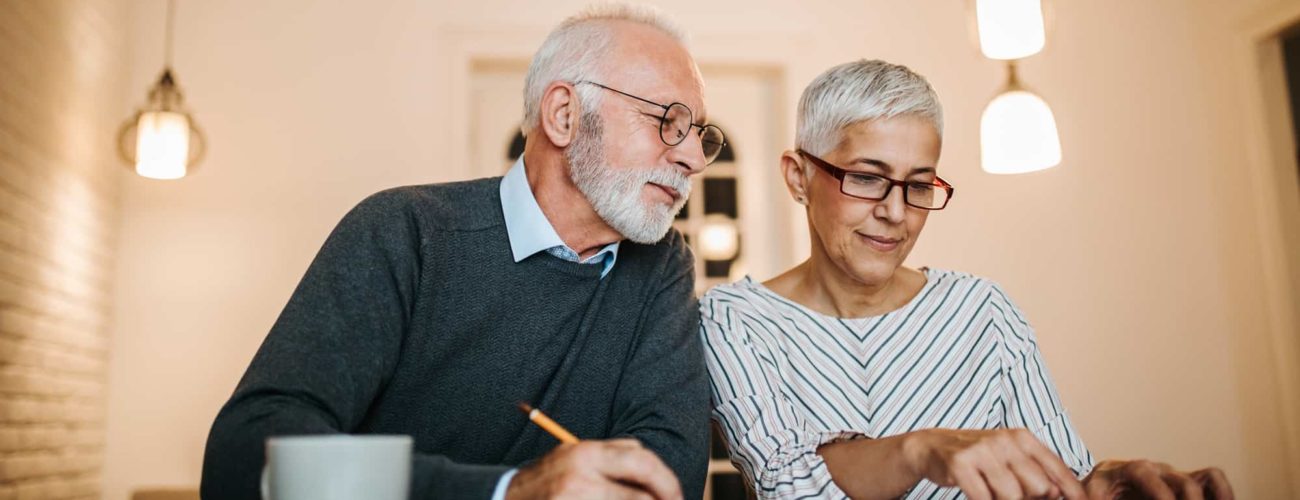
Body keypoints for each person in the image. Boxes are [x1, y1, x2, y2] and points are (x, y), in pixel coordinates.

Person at [202, 4, 726, 499]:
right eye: (669, 121)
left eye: (699, 134)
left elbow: (662, 477)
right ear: (564, 115)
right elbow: (245, 458)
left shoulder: (661, 264)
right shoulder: (405, 232)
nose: (693, 159)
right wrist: (509, 492)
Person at [700, 59, 1233, 500]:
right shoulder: (735, 319)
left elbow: (1059, 480)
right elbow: (788, 485)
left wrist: (1108, 483)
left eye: (918, 184)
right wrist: (920, 450)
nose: (896, 211)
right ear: (799, 176)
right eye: (866, 177)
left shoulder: (982, 310)